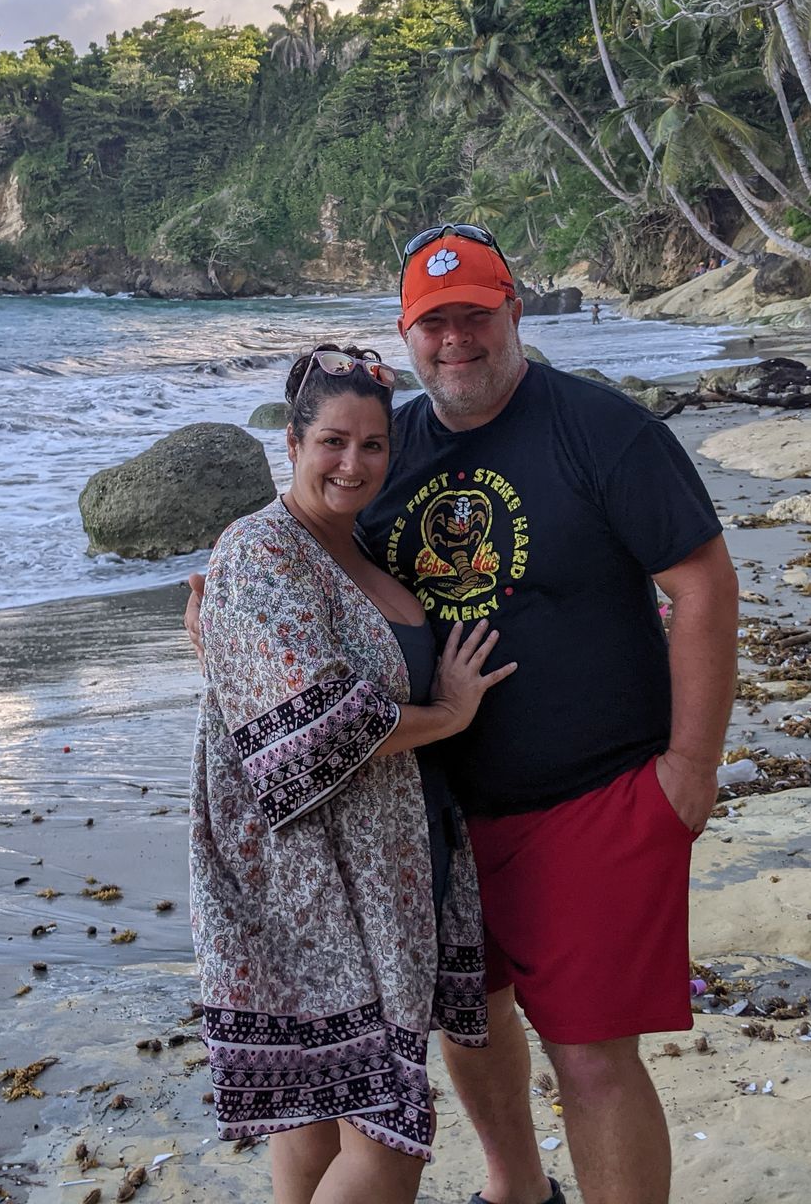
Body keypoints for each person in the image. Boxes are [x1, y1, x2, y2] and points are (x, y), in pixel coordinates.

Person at [189, 225, 739, 1204]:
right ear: (406, 334)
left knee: (592, 1059)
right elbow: (305, 573)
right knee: (470, 1024)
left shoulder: (602, 431)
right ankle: (515, 1189)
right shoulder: (393, 447)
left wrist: (690, 769)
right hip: (426, 818)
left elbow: (701, 585)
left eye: (473, 317)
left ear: (512, 313)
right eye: (432, 323)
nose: (455, 341)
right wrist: (222, 632)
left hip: (594, 798)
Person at [190, 342, 519, 1204]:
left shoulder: (360, 548)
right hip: (312, 886)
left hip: (387, 866)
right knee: (388, 1132)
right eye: (333, 441)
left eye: (373, 445)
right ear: (291, 444)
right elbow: (314, 724)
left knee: (326, 1109)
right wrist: (447, 714)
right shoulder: (260, 551)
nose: (353, 462)